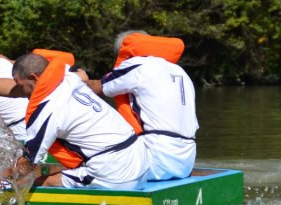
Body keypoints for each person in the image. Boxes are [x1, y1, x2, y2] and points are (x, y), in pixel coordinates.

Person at [0, 53, 150, 189]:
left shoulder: (47, 111)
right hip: (141, 161)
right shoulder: (67, 77)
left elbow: (28, 163)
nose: (22, 92)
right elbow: (20, 87)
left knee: (38, 183)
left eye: (21, 86)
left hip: (115, 173)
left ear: (34, 78)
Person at [78, 31, 198, 181]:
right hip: (186, 162)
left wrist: (80, 80)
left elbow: (97, 88)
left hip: (156, 160)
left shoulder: (137, 64)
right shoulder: (179, 71)